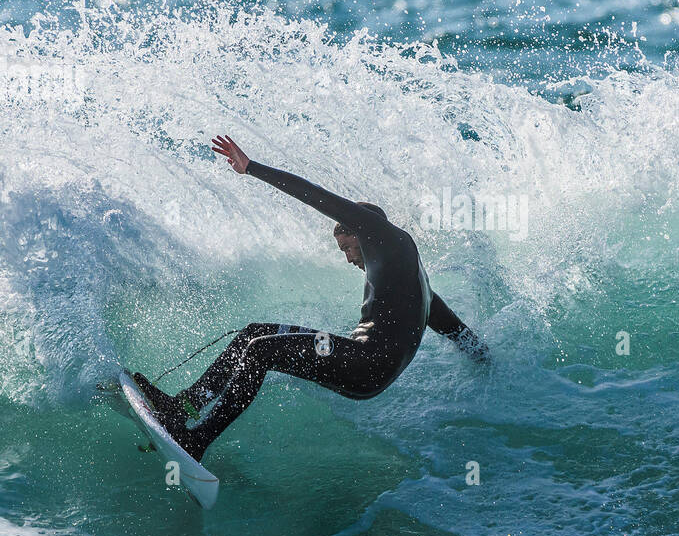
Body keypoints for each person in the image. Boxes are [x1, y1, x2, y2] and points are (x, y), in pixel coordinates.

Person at [132, 134, 488, 461]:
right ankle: (184, 408)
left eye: (347, 247)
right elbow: (459, 334)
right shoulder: (419, 288)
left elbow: (314, 194)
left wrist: (251, 167)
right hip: (366, 368)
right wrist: (490, 368)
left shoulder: (381, 234)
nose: (348, 258)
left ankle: (197, 439)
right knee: (255, 333)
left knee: (260, 350)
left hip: (364, 361)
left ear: (361, 233)